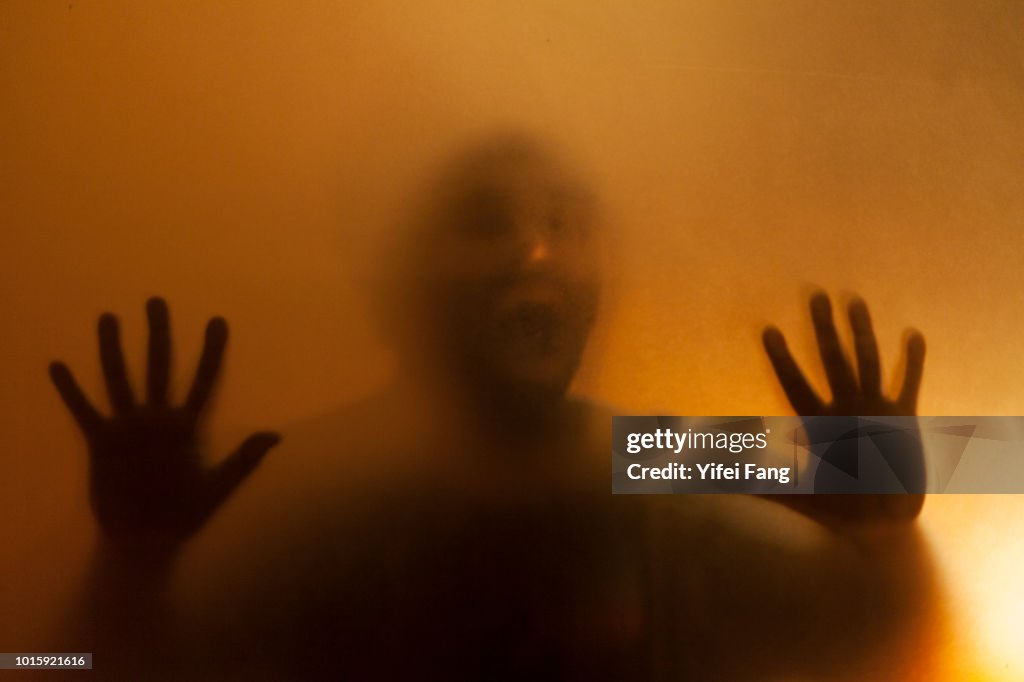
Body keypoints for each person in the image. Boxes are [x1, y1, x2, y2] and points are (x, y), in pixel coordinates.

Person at [49, 131, 938, 680]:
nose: (537, 252)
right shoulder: (313, 479)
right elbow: (40, 664)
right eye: (484, 219)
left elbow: (982, 502)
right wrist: (131, 565)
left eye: (567, 219)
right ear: (400, 285)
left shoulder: (658, 456)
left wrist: (887, 516)